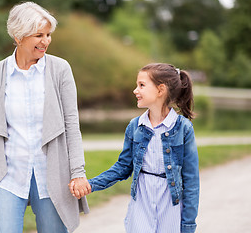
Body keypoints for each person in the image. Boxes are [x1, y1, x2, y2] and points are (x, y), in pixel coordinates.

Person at [0, 1, 91, 233]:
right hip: (8, 175)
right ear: (19, 36)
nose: (46, 41)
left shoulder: (60, 69)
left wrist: (78, 172)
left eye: (48, 34)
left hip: (51, 175)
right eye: (39, 35)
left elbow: (71, 125)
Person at [70, 63, 200, 233]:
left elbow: (191, 181)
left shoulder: (183, 128)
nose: (135, 90)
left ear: (160, 90)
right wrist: (91, 184)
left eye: (141, 85)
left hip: (171, 207)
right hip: (141, 205)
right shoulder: (135, 126)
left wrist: (188, 223)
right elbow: (123, 167)